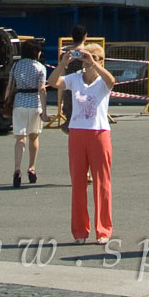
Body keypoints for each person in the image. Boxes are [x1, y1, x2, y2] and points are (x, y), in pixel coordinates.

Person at [54, 41, 118, 243]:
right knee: (78, 183)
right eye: (86, 57)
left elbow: (112, 81)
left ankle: (103, 229)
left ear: (101, 60)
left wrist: (96, 64)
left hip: (99, 134)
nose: (88, 62)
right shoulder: (74, 79)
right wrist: (63, 63)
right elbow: (53, 82)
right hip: (77, 133)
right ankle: (80, 230)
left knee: (102, 183)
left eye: (94, 58)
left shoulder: (102, 81)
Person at [4, 37, 48, 188]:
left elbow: (10, 86)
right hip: (34, 103)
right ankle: (31, 167)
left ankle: (17, 169)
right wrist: (44, 111)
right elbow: (42, 89)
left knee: (19, 138)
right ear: (36, 52)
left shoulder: (16, 66)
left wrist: (5, 103)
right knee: (34, 137)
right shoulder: (40, 68)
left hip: (19, 103)